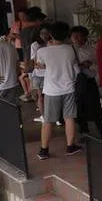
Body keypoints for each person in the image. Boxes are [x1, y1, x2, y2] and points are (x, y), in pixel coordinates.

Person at [35, 22, 82, 160]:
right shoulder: (70, 49)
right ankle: (70, 146)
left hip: (51, 90)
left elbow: (40, 66)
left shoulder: (42, 51)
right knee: (69, 118)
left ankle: (44, 150)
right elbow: (75, 67)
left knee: (48, 120)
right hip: (69, 88)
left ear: (50, 35)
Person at [70, 25, 102, 135]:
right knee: (79, 106)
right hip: (76, 82)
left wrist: (90, 65)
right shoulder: (70, 50)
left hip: (89, 80)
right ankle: (84, 131)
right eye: (74, 36)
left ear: (85, 37)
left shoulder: (92, 49)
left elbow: (99, 65)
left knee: (95, 105)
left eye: (78, 36)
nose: (76, 39)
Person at [28, 25, 51, 123]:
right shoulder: (35, 45)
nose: (44, 35)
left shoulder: (50, 43)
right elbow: (35, 62)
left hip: (49, 74)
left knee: (48, 97)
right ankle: (45, 117)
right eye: (42, 33)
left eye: (46, 33)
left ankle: (49, 117)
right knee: (40, 96)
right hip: (39, 74)